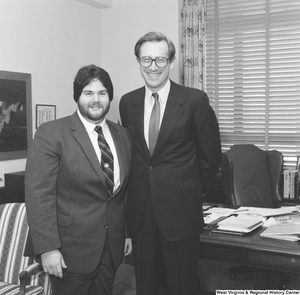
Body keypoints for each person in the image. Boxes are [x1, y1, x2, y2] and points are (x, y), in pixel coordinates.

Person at [119, 31, 222, 295]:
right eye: (146, 60)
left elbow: (211, 158)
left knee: (182, 286)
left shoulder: (195, 100)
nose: (153, 67)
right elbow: (133, 156)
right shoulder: (127, 103)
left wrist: (189, 189)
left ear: (171, 62)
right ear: (138, 62)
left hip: (180, 212)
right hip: (141, 214)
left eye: (160, 60)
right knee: (146, 286)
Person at [25, 64, 132, 295]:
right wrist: (48, 248)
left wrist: (126, 233)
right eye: (88, 93)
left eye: (102, 93)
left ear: (109, 97)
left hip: (110, 248)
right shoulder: (52, 133)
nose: (96, 99)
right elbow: (38, 195)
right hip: (68, 252)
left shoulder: (122, 135)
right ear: (77, 97)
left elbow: (122, 193)